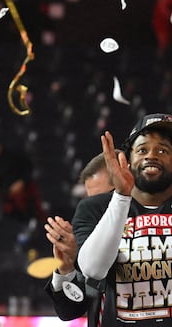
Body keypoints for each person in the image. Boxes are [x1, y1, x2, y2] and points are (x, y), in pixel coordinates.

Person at [73, 113, 172, 326]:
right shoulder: (95, 207)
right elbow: (93, 269)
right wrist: (121, 197)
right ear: (128, 159)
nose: (151, 156)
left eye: (162, 150)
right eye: (142, 149)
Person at [44, 151, 117, 321]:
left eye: (103, 199)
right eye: (90, 200)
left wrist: (81, 256)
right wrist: (66, 268)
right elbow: (69, 311)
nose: (93, 209)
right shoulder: (88, 239)